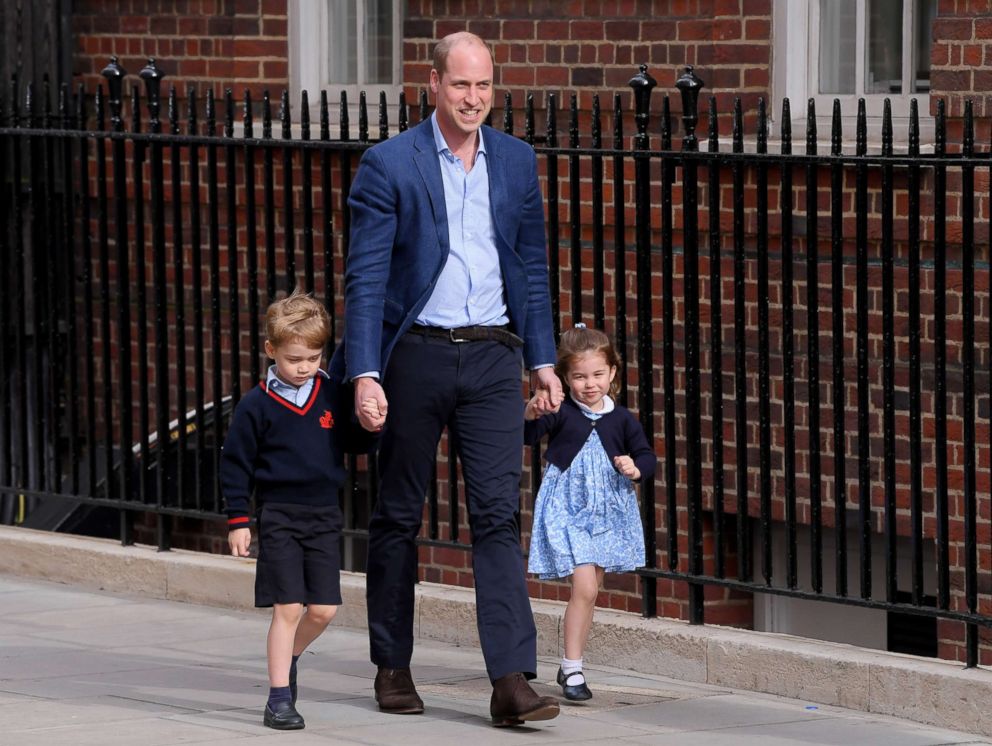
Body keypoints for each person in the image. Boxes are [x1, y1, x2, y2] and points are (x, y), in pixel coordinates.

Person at [331, 30, 564, 727]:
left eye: (484, 86)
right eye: (461, 85)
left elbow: (531, 269)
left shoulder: (517, 163)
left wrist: (543, 360)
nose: (474, 99)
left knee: (497, 516)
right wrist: (366, 373)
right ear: (432, 84)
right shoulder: (389, 164)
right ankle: (393, 664)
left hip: (493, 357)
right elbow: (366, 278)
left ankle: (511, 680)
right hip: (416, 357)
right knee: (399, 514)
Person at [221, 291, 349, 731]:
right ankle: (278, 699)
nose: (305, 367)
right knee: (288, 608)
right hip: (279, 514)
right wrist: (239, 520)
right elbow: (235, 465)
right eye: (295, 358)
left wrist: (374, 424)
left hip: (324, 515)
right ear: (271, 350)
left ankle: (289, 658)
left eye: (313, 357)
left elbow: (356, 442)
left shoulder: (332, 393)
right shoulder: (255, 405)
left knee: (324, 610)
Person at [524, 324, 656, 702]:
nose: (590, 384)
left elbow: (647, 456)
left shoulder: (622, 419)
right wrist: (531, 412)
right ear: (565, 377)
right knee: (583, 587)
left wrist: (636, 467)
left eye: (598, 374)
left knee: (592, 591)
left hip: (606, 511)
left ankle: (571, 665)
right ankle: (574, 668)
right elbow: (528, 435)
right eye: (579, 376)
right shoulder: (562, 412)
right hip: (568, 507)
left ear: (613, 373)